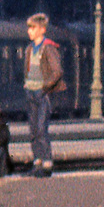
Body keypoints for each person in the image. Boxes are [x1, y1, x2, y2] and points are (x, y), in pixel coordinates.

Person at [24, 13, 66, 177]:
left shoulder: (48, 48)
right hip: (30, 91)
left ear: (42, 29)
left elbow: (57, 71)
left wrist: (45, 87)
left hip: (42, 94)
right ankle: (37, 163)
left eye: (33, 28)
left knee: (41, 129)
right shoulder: (29, 49)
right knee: (33, 130)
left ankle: (47, 163)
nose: (29, 31)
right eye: (29, 28)